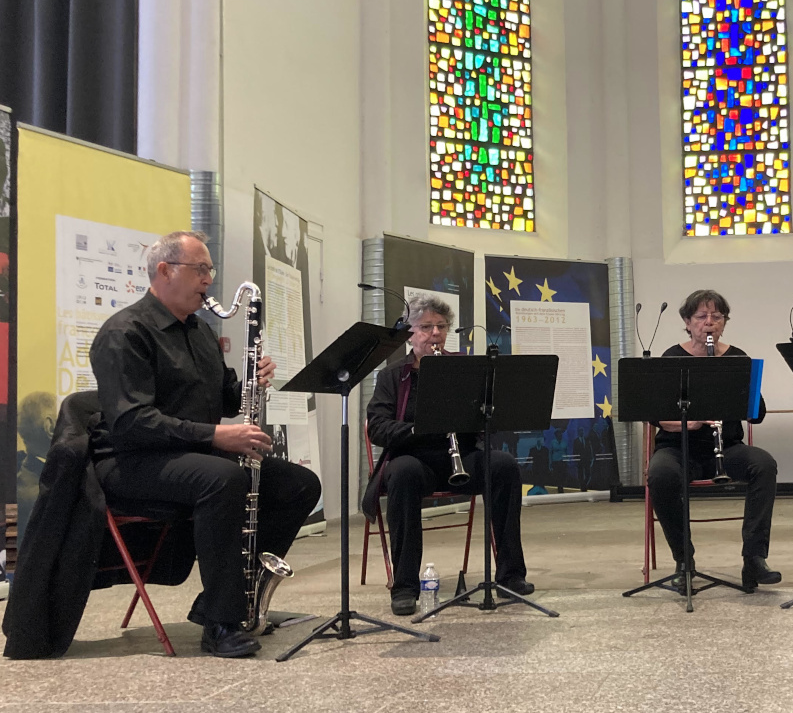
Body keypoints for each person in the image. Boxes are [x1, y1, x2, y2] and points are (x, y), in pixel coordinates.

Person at [90, 231, 322, 659]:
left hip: (188, 453)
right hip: (130, 460)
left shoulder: (199, 332)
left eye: (209, 270)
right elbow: (130, 423)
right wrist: (216, 436)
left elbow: (226, 399)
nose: (209, 280)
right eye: (200, 269)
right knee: (223, 478)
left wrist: (254, 381)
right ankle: (221, 623)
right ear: (165, 271)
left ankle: (231, 596)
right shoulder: (125, 332)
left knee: (300, 485)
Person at [364, 294, 529, 615]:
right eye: (426, 327)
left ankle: (510, 575)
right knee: (403, 473)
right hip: (414, 460)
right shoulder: (392, 376)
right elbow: (378, 428)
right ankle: (405, 586)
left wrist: (481, 415)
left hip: (462, 456)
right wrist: (419, 429)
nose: (436, 333)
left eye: (441, 326)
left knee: (504, 466)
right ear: (410, 334)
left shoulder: (463, 368)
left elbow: (487, 416)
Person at [648, 289, 780, 592]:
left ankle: (754, 558)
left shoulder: (736, 358)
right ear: (687, 322)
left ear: (724, 322)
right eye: (701, 316)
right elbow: (656, 417)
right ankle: (684, 560)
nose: (709, 322)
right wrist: (689, 423)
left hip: (726, 448)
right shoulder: (672, 358)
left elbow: (756, 415)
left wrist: (742, 391)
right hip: (678, 448)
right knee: (660, 474)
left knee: (764, 464)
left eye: (716, 316)